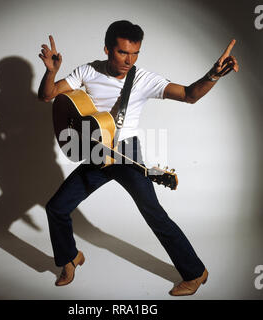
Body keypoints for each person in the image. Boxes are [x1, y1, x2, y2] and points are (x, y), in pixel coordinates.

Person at [38, 20, 239, 296]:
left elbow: (190, 95)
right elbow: (47, 95)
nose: (128, 60)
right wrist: (50, 72)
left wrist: (213, 75)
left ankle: (195, 272)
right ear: (107, 49)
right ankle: (69, 257)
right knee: (57, 207)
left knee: (153, 214)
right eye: (122, 52)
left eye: (135, 53)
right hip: (97, 150)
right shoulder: (88, 70)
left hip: (126, 153)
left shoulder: (144, 79)